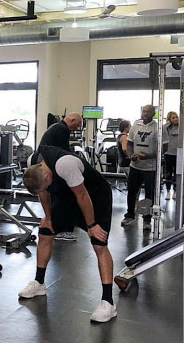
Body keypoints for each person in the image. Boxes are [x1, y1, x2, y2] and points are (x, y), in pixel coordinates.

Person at [18, 144, 116, 323]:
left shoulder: (66, 165)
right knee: (45, 232)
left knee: (99, 244)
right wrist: (48, 217)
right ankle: (39, 283)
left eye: (45, 185)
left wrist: (92, 225)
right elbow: (42, 192)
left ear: (47, 176)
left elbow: (82, 195)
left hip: (95, 195)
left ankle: (108, 303)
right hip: (68, 196)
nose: (45, 189)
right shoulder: (34, 162)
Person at [120, 105, 168, 231]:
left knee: (148, 194)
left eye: (148, 112)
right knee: (132, 191)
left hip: (150, 168)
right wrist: (131, 155)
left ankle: (147, 219)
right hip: (135, 166)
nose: (145, 114)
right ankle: (130, 215)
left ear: (153, 113)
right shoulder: (136, 125)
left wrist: (149, 155)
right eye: (144, 111)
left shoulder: (158, 127)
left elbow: (165, 147)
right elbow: (129, 144)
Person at [37, 111, 83, 241]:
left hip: (48, 164)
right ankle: (61, 229)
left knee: (62, 194)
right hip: (48, 166)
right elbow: (64, 153)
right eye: (76, 125)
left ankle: (60, 225)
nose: (76, 129)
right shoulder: (62, 129)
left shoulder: (57, 127)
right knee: (66, 193)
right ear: (72, 120)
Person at [163, 111, 179, 200]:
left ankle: (175, 191)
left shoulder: (180, 127)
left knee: (177, 173)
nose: (176, 119)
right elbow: (162, 129)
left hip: (178, 153)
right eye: (173, 118)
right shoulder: (167, 128)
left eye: (176, 117)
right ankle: (168, 191)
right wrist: (168, 123)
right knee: (168, 173)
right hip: (168, 153)